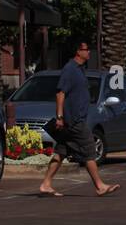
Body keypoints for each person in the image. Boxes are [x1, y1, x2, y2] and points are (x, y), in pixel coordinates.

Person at [39, 40, 119, 197]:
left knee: (61, 151)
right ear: (78, 51)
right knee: (89, 149)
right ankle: (99, 186)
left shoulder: (79, 69)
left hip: (74, 119)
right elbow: (60, 93)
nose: (89, 52)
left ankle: (46, 184)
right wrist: (60, 117)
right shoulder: (70, 70)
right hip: (73, 120)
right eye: (86, 49)